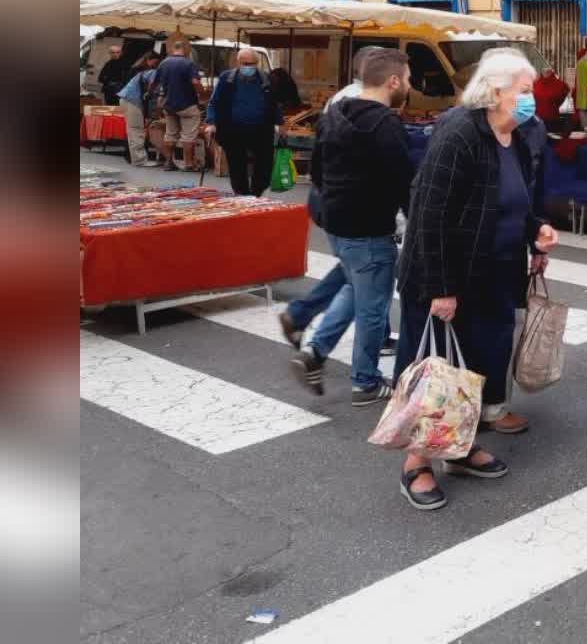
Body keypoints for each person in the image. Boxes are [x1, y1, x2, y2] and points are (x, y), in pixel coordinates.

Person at [391, 48, 559, 511]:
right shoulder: (459, 133)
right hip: (449, 277)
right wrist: (441, 288)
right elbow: (429, 215)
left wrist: (534, 231)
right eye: (525, 92)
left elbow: (515, 200)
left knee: (478, 366)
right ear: (496, 91)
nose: (532, 101)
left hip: (495, 274)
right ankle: (416, 464)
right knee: (437, 372)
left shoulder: (519, 136)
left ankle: (460, 448)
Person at [278, 48, 415, 405]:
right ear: (393, 81)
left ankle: (315, 352)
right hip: (369, 227)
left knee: (356, 289)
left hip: (337, 224)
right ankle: (365, 382)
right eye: (409, 79)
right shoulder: (386, 124)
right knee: (373, 306)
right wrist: (414, 223)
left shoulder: (334, 113)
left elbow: (317, 173)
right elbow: (403, 183)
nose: (410, 86)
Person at [205, 49, 285, 197]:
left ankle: (256, 192)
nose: (248, 67)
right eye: (245, 63)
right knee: (236, 165)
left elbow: (275, 103)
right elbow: (214, 102)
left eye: (252, 64)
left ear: (258, 63)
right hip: (233, 129)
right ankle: (242, 194)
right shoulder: (226, 78)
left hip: (261, 129)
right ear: (238, 62)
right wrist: (211, 122)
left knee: (264, 165)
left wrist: (279, 123)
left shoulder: (267, 79)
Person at [154, 40, 205, 171]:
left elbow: (154, 82)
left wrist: (149, 93)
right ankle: (189, 164)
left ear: (172, 49)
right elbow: (195, 81)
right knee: (188, 135)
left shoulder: (164, 63)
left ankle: (168, 162)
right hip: (187, 104)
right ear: (186, 49)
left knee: (170, 134)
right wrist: (203, 96)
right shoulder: (189, 63)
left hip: (169, 105)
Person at [117, 52, 160, 166]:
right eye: (156, 62)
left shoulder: (142, 70)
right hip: (132, 101)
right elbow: (152, 86)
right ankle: (140, 160)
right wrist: (149, 93)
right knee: (136, 130)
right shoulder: (153, 72)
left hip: (126, 99)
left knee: (133, 130)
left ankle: (136, 158)